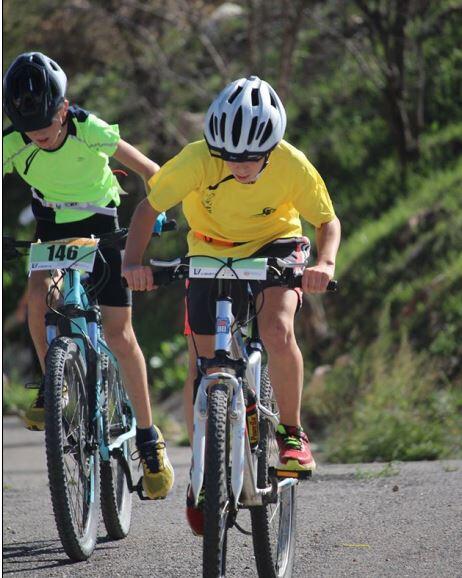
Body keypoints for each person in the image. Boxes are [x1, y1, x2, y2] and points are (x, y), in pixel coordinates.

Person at [122, 75, 341, 533]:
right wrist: (133, 263)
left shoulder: (292, 164)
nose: (241, 168)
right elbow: (147, 209)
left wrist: (325, 262)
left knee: (277, 329)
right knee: (202, 363)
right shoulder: (196, 159)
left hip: (274, 245)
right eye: (230, 159)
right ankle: (205, 470)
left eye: (252, 159)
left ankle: (291, 434)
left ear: (272, 146)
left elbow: (326, 221)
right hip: (208, 250)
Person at [2, 51, 174, 500]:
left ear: (63, 109)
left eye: (45, 128)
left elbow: (151, 172)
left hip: (102, 222)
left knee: (119, 335)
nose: (38, 138)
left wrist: (155, 216)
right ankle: (52, 384)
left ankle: (148, 438)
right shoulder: (14, 143)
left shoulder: (90, 129)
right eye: (28, 132)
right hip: (52, 225)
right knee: (39, 297)